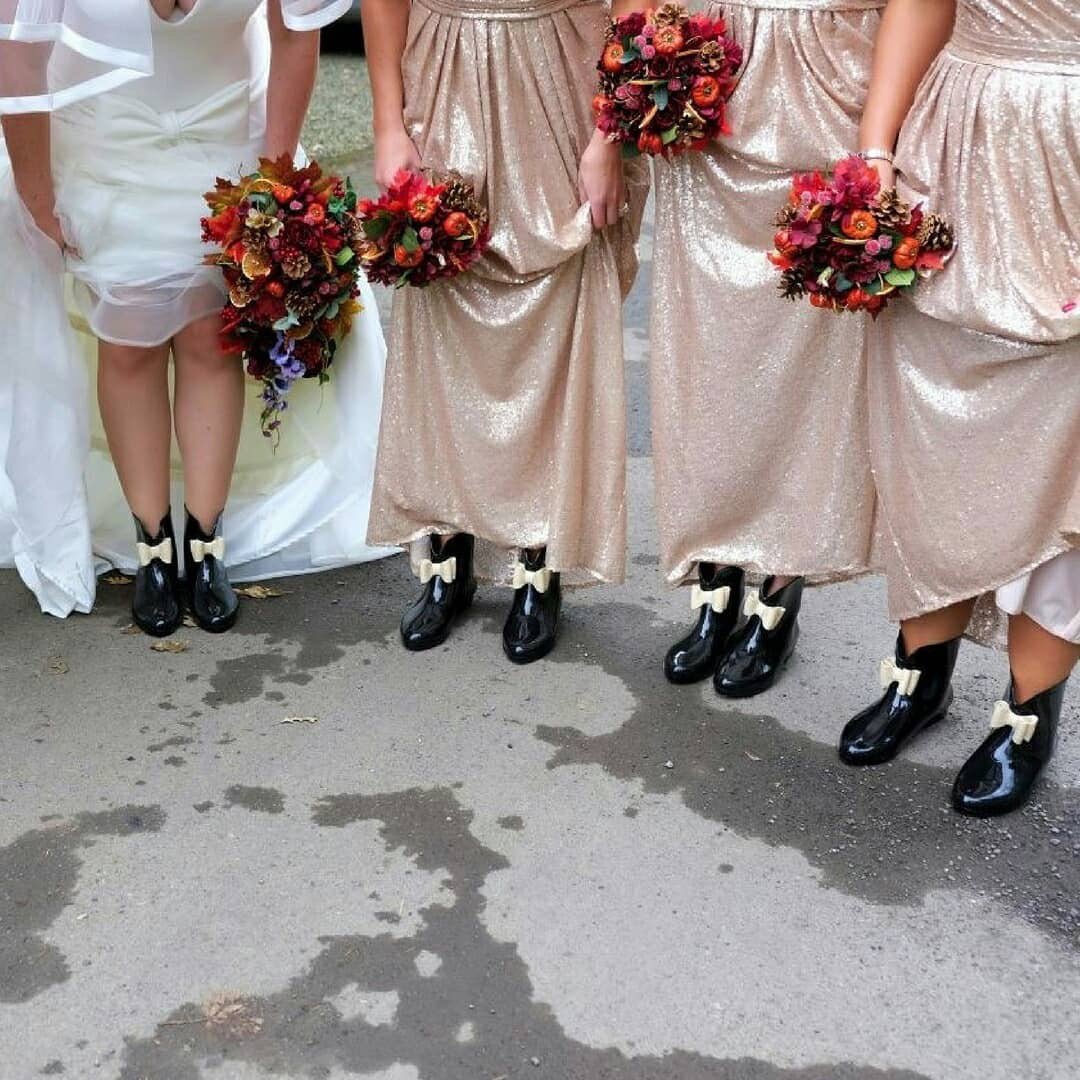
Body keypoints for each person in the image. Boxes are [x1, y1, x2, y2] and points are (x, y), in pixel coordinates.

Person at [0, 0, 389, 635]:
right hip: (105, 151)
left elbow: (295, 35)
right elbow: (17, 57)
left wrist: (274, 176)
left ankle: (204, 541)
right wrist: (38, 199)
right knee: (130, 344)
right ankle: (152, 543)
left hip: (226, 136)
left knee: (214, 338)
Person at [839, 0, 1079, 815]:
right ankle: (919, 676)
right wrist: (878, 148)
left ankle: (1027, 716)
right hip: (955, 144)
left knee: (1065, 445)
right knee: (929, 421)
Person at [360, 0, 647, 665]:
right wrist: (386, 121)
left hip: (558, 68)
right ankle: (448, 549)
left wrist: (609, 133)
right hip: (441, 66)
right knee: (445, 316)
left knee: (553, 316)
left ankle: (538, 557)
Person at [649, 0, 884, 695]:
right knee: (711, 355)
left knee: (812, 356)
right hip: (713, 73)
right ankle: (716, 569)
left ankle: (782, 582)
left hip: (830, 72)